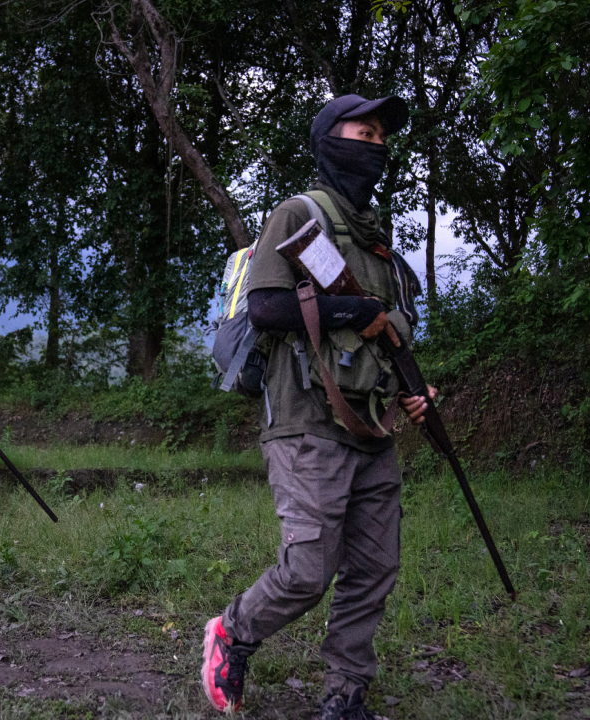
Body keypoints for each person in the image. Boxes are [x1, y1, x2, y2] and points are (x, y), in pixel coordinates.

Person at [199, 94, 439, 720]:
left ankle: (346, 693)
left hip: (372, 428)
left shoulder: (376, 244)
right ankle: (234, 631)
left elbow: (389, 336)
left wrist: (415, 390)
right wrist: (350, 310)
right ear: (332, 139)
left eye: (382, 135)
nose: (377, 144)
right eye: (365, 131)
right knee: (309, 568)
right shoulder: (298, 214)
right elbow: (267, 308)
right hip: (306, 423)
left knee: (373, 569)